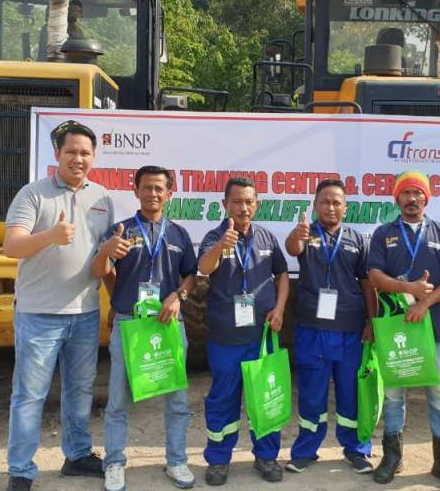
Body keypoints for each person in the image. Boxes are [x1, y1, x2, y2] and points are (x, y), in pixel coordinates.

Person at [1, 120, 115, 491]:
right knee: (29, 396)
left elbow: (103, 257)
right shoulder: (33, 194)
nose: (78, 159)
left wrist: (115, 300)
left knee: (80, 391)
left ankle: (77, 455)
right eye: (71, 151)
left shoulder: (102, 199)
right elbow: (11, 246)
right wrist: (50, 236)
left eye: (85, 153)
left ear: (93, 157)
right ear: (57, 154)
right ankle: (21, 470)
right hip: (39, 314)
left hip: (84, 313)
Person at [92, 166, 198, 491]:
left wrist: (178, 297)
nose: (153, 193)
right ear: (135, 191)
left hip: (168, 325)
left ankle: (177, 461)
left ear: (169, 194)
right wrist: (107, 252)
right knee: (118, 401)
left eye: (159, 188)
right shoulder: (120, 231)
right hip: (130, 325)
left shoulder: (179, 234)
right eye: (147, 187)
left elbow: (190, 276)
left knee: (177, 400)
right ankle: (114, 463)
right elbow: (100, 270)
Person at [367, 170, 440, 490]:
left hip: (431, 328)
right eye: (405, 193)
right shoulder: (383, 233)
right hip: (394, 328)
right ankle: (392, 458)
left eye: (417, 193)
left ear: (427, 198)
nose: (412, 199)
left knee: (438, 396)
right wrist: (407, 287)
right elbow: (374, 276)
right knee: (394, 395)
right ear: (396, 199)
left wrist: (425, 302)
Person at [197, 177, 289, 486]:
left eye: (249, 201)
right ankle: (218, 460)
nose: (243, 207)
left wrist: (279, 309)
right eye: (236, 201)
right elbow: (204, 268)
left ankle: (266, 457)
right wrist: (222, 246)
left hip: (262, 337)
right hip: (226, 338)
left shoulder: (266, 237)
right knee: (223, 399)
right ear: (225, 204)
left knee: (265, 397)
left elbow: (282, 275)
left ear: (256, 204)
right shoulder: (215, 236)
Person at [283, 179, 375, 475]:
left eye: (337, 202)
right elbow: (292, 248)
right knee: (311, 392)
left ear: (345, 208)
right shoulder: (306, 233)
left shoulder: (357, 239)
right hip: (312, 328)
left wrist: (372, 321)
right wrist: (297, 234)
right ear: (315, 205)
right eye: (325, 201)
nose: (331, 207)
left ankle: (356, 449)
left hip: (350, 329)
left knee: (351, 392)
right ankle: (305, 451)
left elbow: (366, 282)